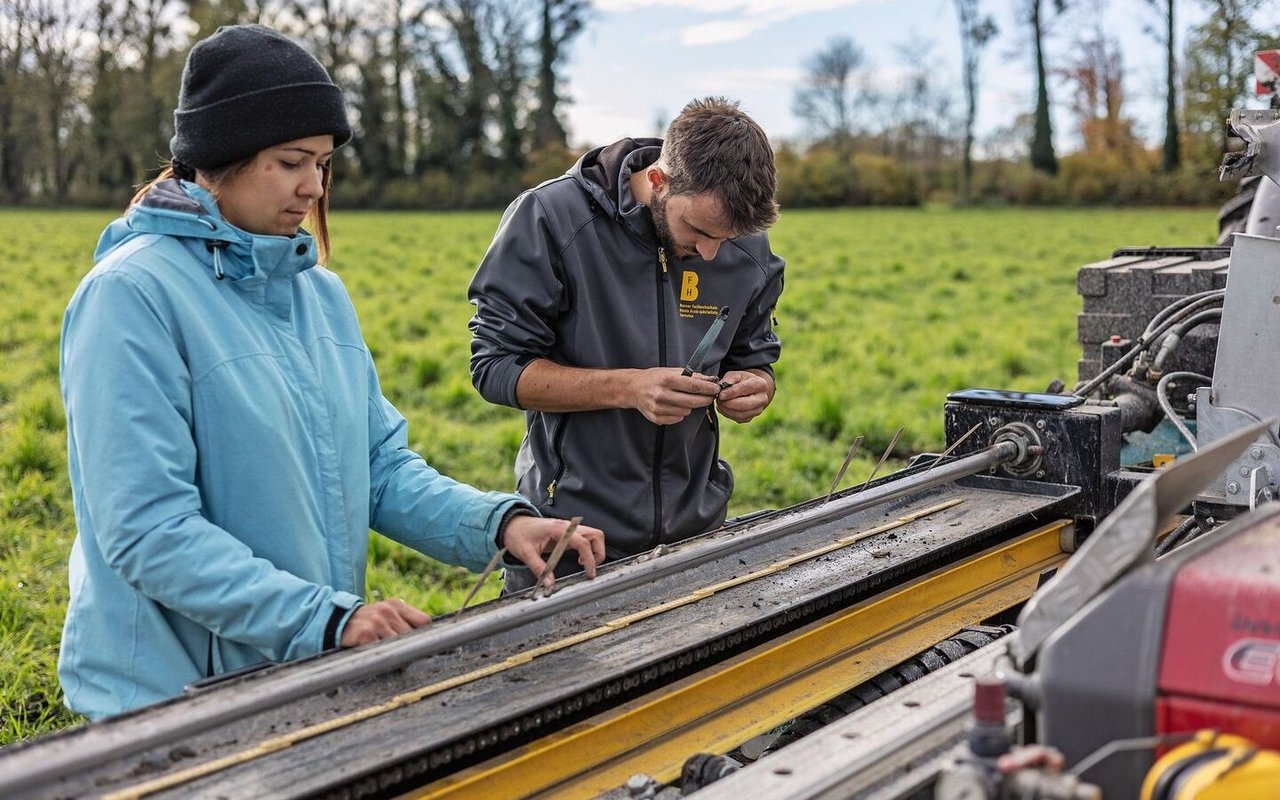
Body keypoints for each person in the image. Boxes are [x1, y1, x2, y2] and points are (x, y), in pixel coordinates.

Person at [57, 24, 604, 721]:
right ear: (219, 156)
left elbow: (376, 468)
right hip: (171, 700)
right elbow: (147, 530)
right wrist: (326, 619)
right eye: (291, 162)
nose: (313, 187)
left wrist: (500, 525)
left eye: (322, 164)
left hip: (302, 669)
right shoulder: (130, 296)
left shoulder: (319, 294)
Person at [468, 97, 783, 589]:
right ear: (658, 181)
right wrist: (629, 389)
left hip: (697, 532)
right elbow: (495, 366)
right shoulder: (552, 219)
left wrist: (756, 385)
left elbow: (753, 357)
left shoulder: (743, 245)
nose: (710, 253)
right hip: (572, 535)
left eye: (728, 238)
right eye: (698, 231)